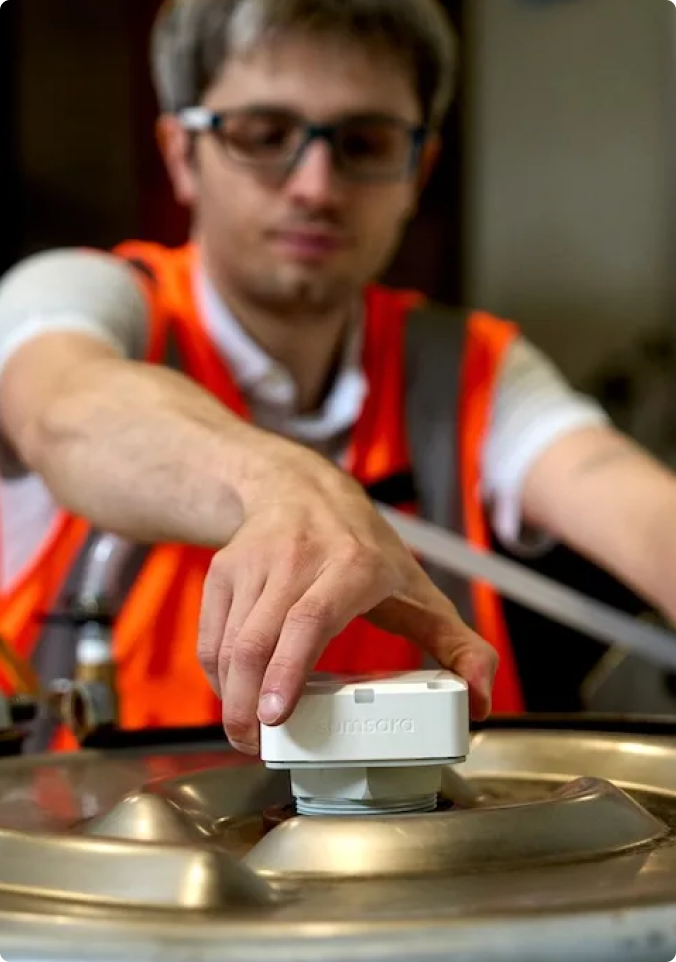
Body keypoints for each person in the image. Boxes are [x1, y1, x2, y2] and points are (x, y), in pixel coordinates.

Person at [1, 0, 675, 756]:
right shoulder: (84, 299)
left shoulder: (468, 368)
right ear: (181, 155)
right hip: (84, 865)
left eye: (364, 142)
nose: (316, 187)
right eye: (265, 136)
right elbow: (60, 405)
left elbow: (624, 495)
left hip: (440, 867)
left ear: (418, 169)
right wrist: (279, 485)